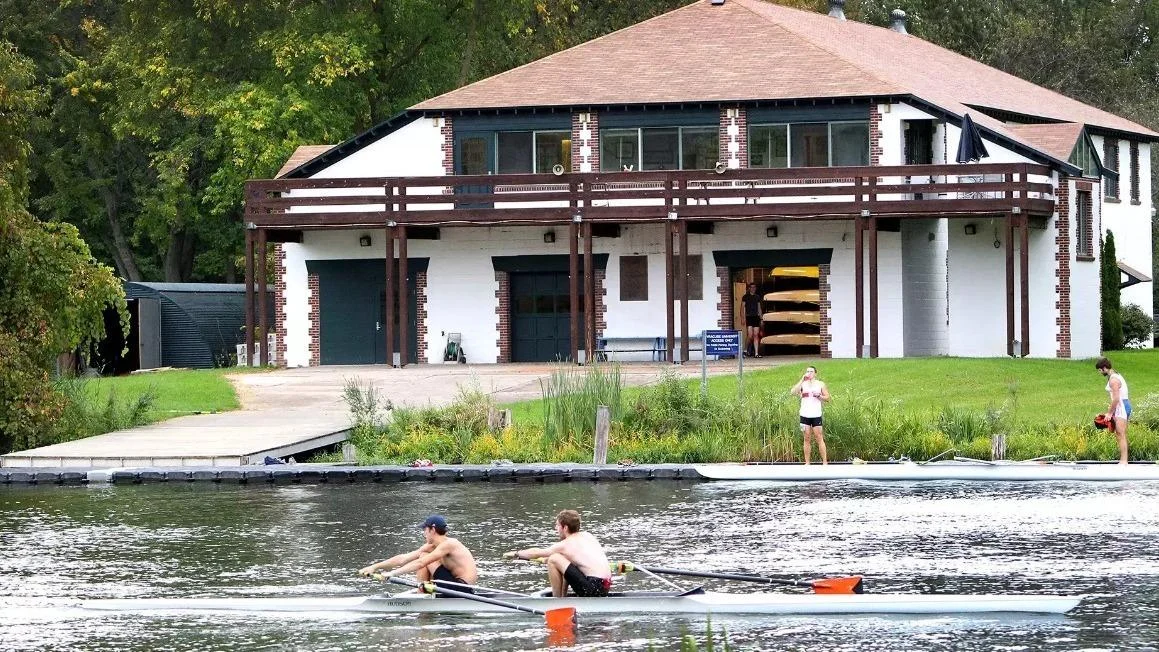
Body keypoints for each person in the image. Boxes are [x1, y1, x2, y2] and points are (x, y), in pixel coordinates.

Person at [358, 514, 478, 594]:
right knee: (423, 554)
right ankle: (422, 593)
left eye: (425, 530)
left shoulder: (449, 544)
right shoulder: (431, 546)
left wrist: (392, 573)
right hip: (450, 585)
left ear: (432, 530)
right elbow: (403, 559)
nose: (424, 534)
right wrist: (374, 567)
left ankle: (421, 596)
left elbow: (421, 563)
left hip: (462, 589)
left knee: (424, 557)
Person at [506, 509, 612, 598]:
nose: (555, 528)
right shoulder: (587, 536)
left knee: (554, 559)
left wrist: (516, 554)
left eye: (557, 525)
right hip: (604, 587)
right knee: (562, 559)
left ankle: (556, 601)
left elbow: (537, 552)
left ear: (565, 528)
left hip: (593, 588)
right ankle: (562, 597)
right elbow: (570, 565)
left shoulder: (566, 544)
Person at [791, 365, 831, 465]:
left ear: (815, 373)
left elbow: (827, 398)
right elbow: (793, 392)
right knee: (806, 438)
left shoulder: (820, 384)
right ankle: (807, 462)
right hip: (804, 414)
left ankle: (825, 462)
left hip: (816, 415)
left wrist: (820, 396)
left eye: (811, 371)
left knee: (819, 437)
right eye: (807, 371)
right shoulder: (803, 384)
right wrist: (802, 380)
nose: (809, 373)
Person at [1096, 357, 1131, 464]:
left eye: (1100, 370)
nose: (1099, 372)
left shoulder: (1113, 380)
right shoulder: (1115, 375)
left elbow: (1116, 398)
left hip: (1122, 407)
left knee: (1120, 434)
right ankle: (1123, 460)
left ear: (1104, 368)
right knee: (1119, 434)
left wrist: (1110, 413)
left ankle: (1124, 461)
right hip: (1121, 406)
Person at [741, 282, 762, 358]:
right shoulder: (745, 297)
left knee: (756, 335)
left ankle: (756, 353)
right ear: (749, 288)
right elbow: (742, 308)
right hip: (749, 317)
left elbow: (759, 308)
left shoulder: (757, 297)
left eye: (754, 287)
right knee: (750, 335)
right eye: (752, 287)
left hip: (756, 317)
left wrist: (761, 318)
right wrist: (743, 318)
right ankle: (745, 350)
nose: (753, 289)